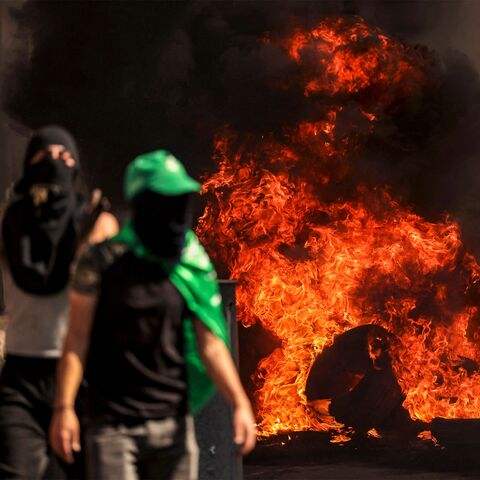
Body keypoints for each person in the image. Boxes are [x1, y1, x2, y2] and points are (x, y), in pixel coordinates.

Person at [49, 150, 256, 480]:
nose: (174, 213)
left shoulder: (188, 262)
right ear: (142, 202)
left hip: (174, 423)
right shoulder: (101, 263)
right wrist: (63, 409)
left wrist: (239, 403)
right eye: (165, 200)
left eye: (180, 201)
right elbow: (75, 338)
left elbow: (211, 344)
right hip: (113, 425)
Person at [0, 125, 118, 479]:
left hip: (83, 375)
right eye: (46, 155)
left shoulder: (96, 223)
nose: (56, 162)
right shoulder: (8, 224)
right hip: (21, 378)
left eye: (65, 157)